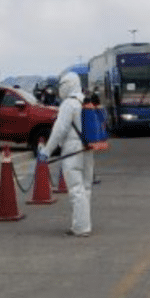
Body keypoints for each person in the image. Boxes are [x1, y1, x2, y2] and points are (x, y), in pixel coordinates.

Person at [39, 72, 95, 236]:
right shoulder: (86, 101)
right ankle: (84, 224)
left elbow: (59, 130)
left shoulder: (69, 104)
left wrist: (47, 151)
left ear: (68, 85)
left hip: (72, 151)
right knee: (86, 188)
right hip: (88, 149)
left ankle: (81, 227)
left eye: (62, 85)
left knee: (76, 190)